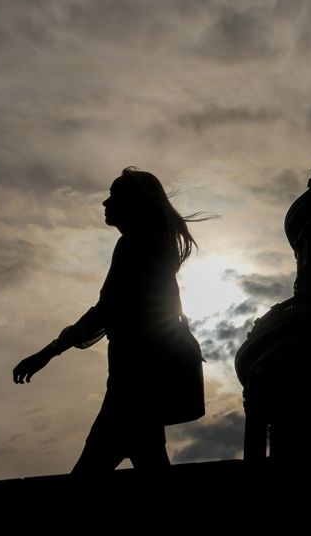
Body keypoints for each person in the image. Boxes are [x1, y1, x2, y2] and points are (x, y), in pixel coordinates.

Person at [13, 168, 208, 473]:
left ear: (133, 203)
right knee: (147, 456)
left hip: (132, 385)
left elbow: (106, 310)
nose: (105, 202)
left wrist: (48, 352)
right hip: (139, 384)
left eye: (114, 195)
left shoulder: (135, 247)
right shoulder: (152, 250)